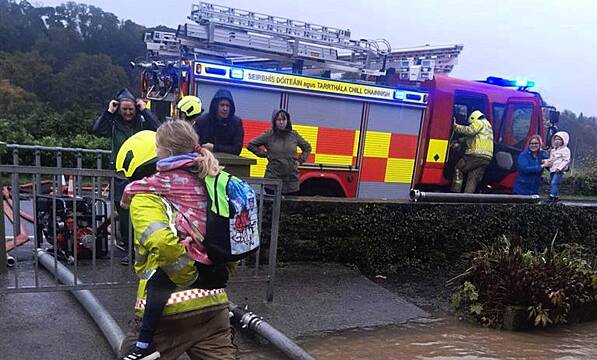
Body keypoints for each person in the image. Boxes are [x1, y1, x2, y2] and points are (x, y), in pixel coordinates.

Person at [115, 129, 234, 360]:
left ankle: (142, 346)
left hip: (167, 312)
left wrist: (191, 277)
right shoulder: (206, 186)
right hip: (214, 305)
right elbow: (228, 233)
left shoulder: (144, 197)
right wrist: (218, 271)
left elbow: (162, 242)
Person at [92, 88, 161, 265]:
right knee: (124, 216)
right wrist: (109, 112)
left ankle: (145, 249)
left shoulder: (142, 122)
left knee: (144, 213)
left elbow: (160, 129)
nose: (128, 112)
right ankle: (130, 251)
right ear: (119, 109)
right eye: (125, 109)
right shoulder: (113, 123)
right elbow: (97, 130)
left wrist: (145, 109)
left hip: (142, 172)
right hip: (120, 173)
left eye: (131, 109)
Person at [247, 109, 312, 195]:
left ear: (287, 121)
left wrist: (300, 161)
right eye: (279, 120)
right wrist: (265, 154)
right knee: (272, 207)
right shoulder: (269, 135)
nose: (281, 122)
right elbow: (251, 145)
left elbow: (307, 148)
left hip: (291, 181)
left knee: (289, 207)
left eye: (284, 119)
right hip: (273, 180)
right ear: (274, 121)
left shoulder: (294, 135)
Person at [450, 110, 494, 193]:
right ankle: (467, 199)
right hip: (486, 158)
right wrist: (459, 140)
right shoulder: (488, 125)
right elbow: (473, 138)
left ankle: (455, 193)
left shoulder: (479, 122)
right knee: (472, 179)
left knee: (458, 168)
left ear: (473, 118)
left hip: (475, 155)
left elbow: (470, 131)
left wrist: (455, 126)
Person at [193, 89, 244, 155]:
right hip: (204, 160)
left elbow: (237, 149)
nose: (225, 109)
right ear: (215, 106)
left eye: (227, 106)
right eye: (222, 105)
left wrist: (214, 148)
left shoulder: (237, 123)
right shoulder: (201, 121)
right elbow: (193, 142)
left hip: (228, 163)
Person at [543, 131, 571, 204]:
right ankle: (556, 197)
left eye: (559, 139)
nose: (557, 141)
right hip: (552, 169)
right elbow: (551, 159)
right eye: (555, 139)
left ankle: (551, 196)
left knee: (554, 183)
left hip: (559, 170)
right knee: (554, 183)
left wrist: (560, 168)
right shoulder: (553, 150)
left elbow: (566, 160)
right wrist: (545, 161)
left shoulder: (566, 150)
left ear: (563, 140)